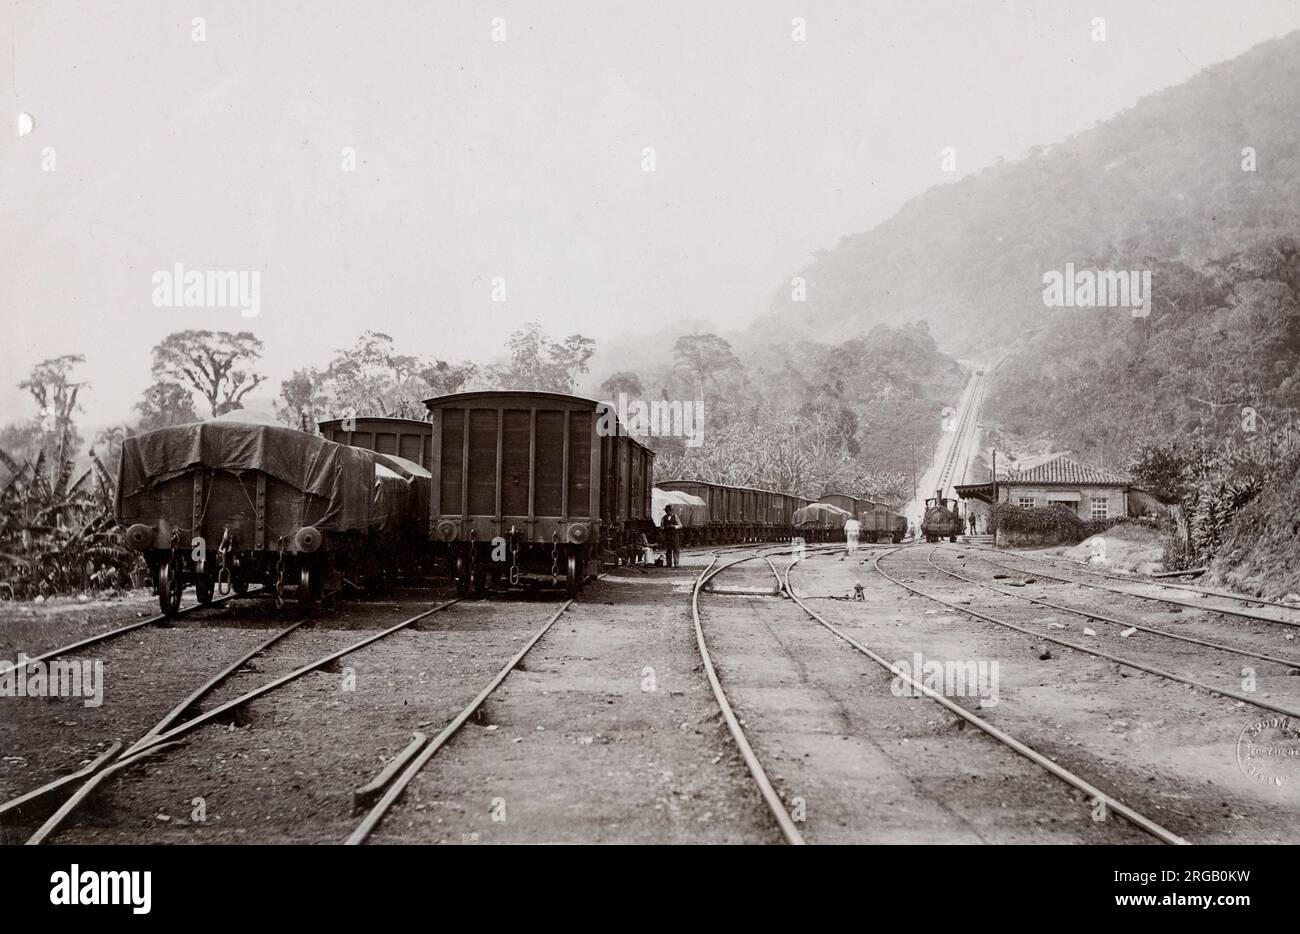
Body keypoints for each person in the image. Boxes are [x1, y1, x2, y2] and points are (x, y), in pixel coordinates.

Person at [660, 504, 682, 568]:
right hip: (668, 536)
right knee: (668, 550)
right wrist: (664, 528)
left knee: (676, 550)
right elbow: (661, 527)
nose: (669, 512)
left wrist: (674, 526)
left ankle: (676, 564)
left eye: (670, 511)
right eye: (667, 511)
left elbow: (680, 525)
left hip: (675, 535)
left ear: (672, 511)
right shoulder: (663, 518)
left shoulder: (675, 517)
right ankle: (669, 564)